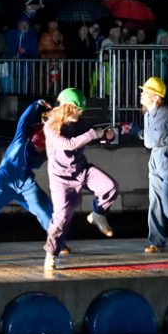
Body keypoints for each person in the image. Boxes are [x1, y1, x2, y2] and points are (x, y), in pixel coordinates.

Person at [0, 99, 60, 258]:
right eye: (37, 146)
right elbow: (24, 120)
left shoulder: (49, 148)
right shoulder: (21, 138)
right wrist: (36, 105)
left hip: (25, 183)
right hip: (5, 180)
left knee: (44, 209)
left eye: (42, 148)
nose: (39, 149)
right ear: (31, 140)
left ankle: (58, 240)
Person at [42, 88, 117, 271]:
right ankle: (51, 254)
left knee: (110, 186)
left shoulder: (80, 123)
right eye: (78, 110)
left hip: (82, 170)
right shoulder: (50, 126)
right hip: (61, 179)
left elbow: (94, 137)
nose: (80, 113)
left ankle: (98, 214)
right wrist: (93, 134)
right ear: (68, 107)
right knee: (61, 218)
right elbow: (69, 144)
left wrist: (107, 137)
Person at [121, 77, 168, 253]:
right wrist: (133, 131)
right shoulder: (147, 114)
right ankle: (156, 241)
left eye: (145, 92)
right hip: (155, 159)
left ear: (156, 97)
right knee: (154, 201)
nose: (141, 94)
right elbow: (150, 137)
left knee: (167, 198)